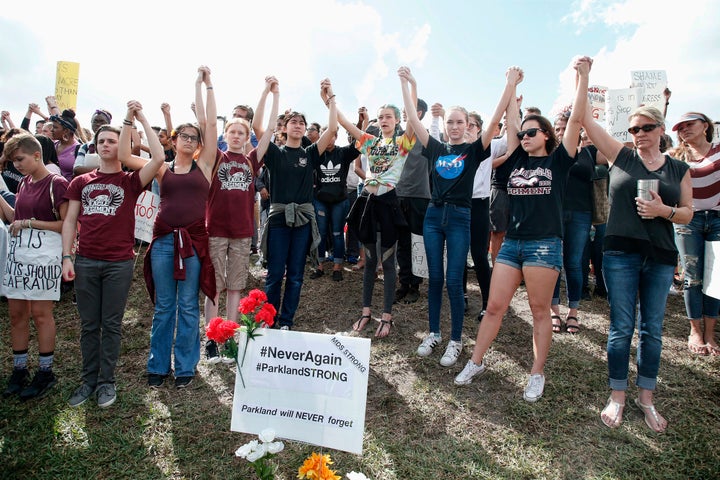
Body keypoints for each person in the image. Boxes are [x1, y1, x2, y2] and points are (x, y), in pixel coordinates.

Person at [454, 57, 591, 404]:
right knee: (496, 306)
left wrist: (583, 78)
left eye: (532, 132)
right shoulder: (515, 159)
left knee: (539, 309)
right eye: (522, 134)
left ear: (546, 135)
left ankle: (536, 372)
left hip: (544, 245)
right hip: (512, 245)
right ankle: (475, 361)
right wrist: (511, 84)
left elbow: (575, 119)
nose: (525, 137)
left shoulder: (559, 162)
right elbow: (510, 121)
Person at [581, 102, 692, 433]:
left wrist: (663, 211)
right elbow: (586, 120)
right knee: (621, 326)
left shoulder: (679, 170)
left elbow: (688, 212)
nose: (639, 134)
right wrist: (582, 78)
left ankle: (646, 398)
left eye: (645, 128)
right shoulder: (622, 157)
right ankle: (617, 396)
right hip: (620, 253)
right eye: (633, 129)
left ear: (661, 129)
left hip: (660, 256)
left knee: (652, 329)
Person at [401, 66, 516, 367]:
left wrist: (509, 85)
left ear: (467, 126)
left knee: (454, 279)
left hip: (460, 217)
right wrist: (409, 83)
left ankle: (456, 340)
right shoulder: (437, 148)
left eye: (459, 122)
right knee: (435, 278)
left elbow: (493, 119)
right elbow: (414, 119)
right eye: (450, 121)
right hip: (433, 215)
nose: (454, 126)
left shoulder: (475, 150)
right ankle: (434, 333)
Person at [62, 102, 165, 408]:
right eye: (101, 142)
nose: (105, 145)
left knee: (112, 323)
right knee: (89, 325)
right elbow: (70, 220)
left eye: (111, 141)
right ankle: (88, 380)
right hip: (86, 260)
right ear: (93, 147)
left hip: (118, 262)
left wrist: (139, 117)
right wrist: (67, 257)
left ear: (119, 146)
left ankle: (107, 381)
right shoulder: (81, 182)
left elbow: (158, 157)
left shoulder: (130, 181)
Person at [143, 66, 218, 389]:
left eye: (194, 137)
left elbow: (211, 124)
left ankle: (186, 366)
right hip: (162, 242)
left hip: (193, 243)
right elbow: (129, 156)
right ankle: (158, 365)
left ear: (199, 144)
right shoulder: (162, 168)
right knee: (164, 306)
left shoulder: (204, 165)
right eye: (183, 136)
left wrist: (205, 85)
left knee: (188, 305)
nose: (189, 140)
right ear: (173, 141)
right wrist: (141, 119)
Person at [255, 77, 337, 330]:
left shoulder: (310, 153)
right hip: (279, 219)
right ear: (284, 128)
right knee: (275, 274)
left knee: (296, 276)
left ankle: (286, 321)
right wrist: (268, 93)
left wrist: (330, 97)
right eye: (293, 122)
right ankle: (269, 319)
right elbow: (257, 126)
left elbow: (332, 129)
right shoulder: (275, 152)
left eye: (302, 123)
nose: (299, 125)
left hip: (303, 220)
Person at [203, 82, 276, 361]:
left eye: (241, 132)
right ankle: (211, 335)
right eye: (232, 131)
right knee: (214, 286)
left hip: (243, 232)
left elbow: (267, 129)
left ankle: (229, 335)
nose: (236, 135)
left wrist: (271, 93)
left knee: (235, 285)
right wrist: (209, 85)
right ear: (225, 135)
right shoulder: (216, 157)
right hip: (216, 231)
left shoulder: (251, 161)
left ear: (247, 137)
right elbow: (207, 125)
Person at [340, 87, 416, 338]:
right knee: (371, 262)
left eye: (389, 117)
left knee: (388, 262)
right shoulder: (370, 143)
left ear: (397, 120)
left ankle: (386, 317)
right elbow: (345, 124)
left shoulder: (403, 143)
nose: (384, 120)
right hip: (368, 204)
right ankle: (365, 313)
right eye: (380, 116)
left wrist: (408, 85)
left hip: (390, 204)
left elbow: (414, 117)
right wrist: (329, 100)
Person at [0, 133, 69, 400]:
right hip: (21, 257)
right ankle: (19, 370)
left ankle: (45, 371)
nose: (16, 165)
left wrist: (31, 223)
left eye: (20, 159)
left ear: (37, 155)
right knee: (16, 314)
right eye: (12, 161)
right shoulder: (24, 184)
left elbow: (67, 224)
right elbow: (13, 218)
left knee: (41, 315)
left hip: (44, 258)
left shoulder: (57, 183)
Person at [670, 112, 720, 356]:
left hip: (718, 219)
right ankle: (695, 330)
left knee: (715, 277)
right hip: (687, 220)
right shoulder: (675, 157)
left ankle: (711, 333)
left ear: (705, 126)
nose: (685, 129)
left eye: (690, 124)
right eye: (680, 127)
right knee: (692, 276)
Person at [549, 121, 595, 334]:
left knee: (574, 263)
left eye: (565, 127)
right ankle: (554, 311)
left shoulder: (589, 152)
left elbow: (622, 150)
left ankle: (573, 312)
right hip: (555, 213)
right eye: (557, 128)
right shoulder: (550, 153)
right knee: (555, 263)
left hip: (581, 214)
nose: (561, 132)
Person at [309, 125, 360, 281]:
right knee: (321, 234)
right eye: (326, 135)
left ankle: (338, 266)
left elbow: (360, 141)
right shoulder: (315, 153)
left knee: (338, 233)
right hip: (320, 200)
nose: (328, 138)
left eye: (332, 135)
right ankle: (319, 266)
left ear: (336, 136)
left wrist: (361, 123)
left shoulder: (343, 152)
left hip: (339, 200)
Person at [394, 98, 431, 304]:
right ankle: (404, 283)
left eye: (410, 109)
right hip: (399, 196)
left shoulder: (427, 138)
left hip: (420, 197)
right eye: (404, 109)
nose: (406, 112)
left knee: (418, 243)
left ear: (420, 113)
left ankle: (415, 285)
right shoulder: (398, 138)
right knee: (402, 242)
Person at [73, 109, 113, 176]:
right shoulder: (85, 147)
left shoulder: (115, 145)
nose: (98, 124)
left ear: (108, 124)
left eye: (102, 121)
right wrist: (104, 169)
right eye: (95, 121)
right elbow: (77, 169)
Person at [48, 108, 82, 181]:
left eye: (55, 127)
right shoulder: (52, 145)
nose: (51, 130)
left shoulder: (80, 150)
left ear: (66, 131)